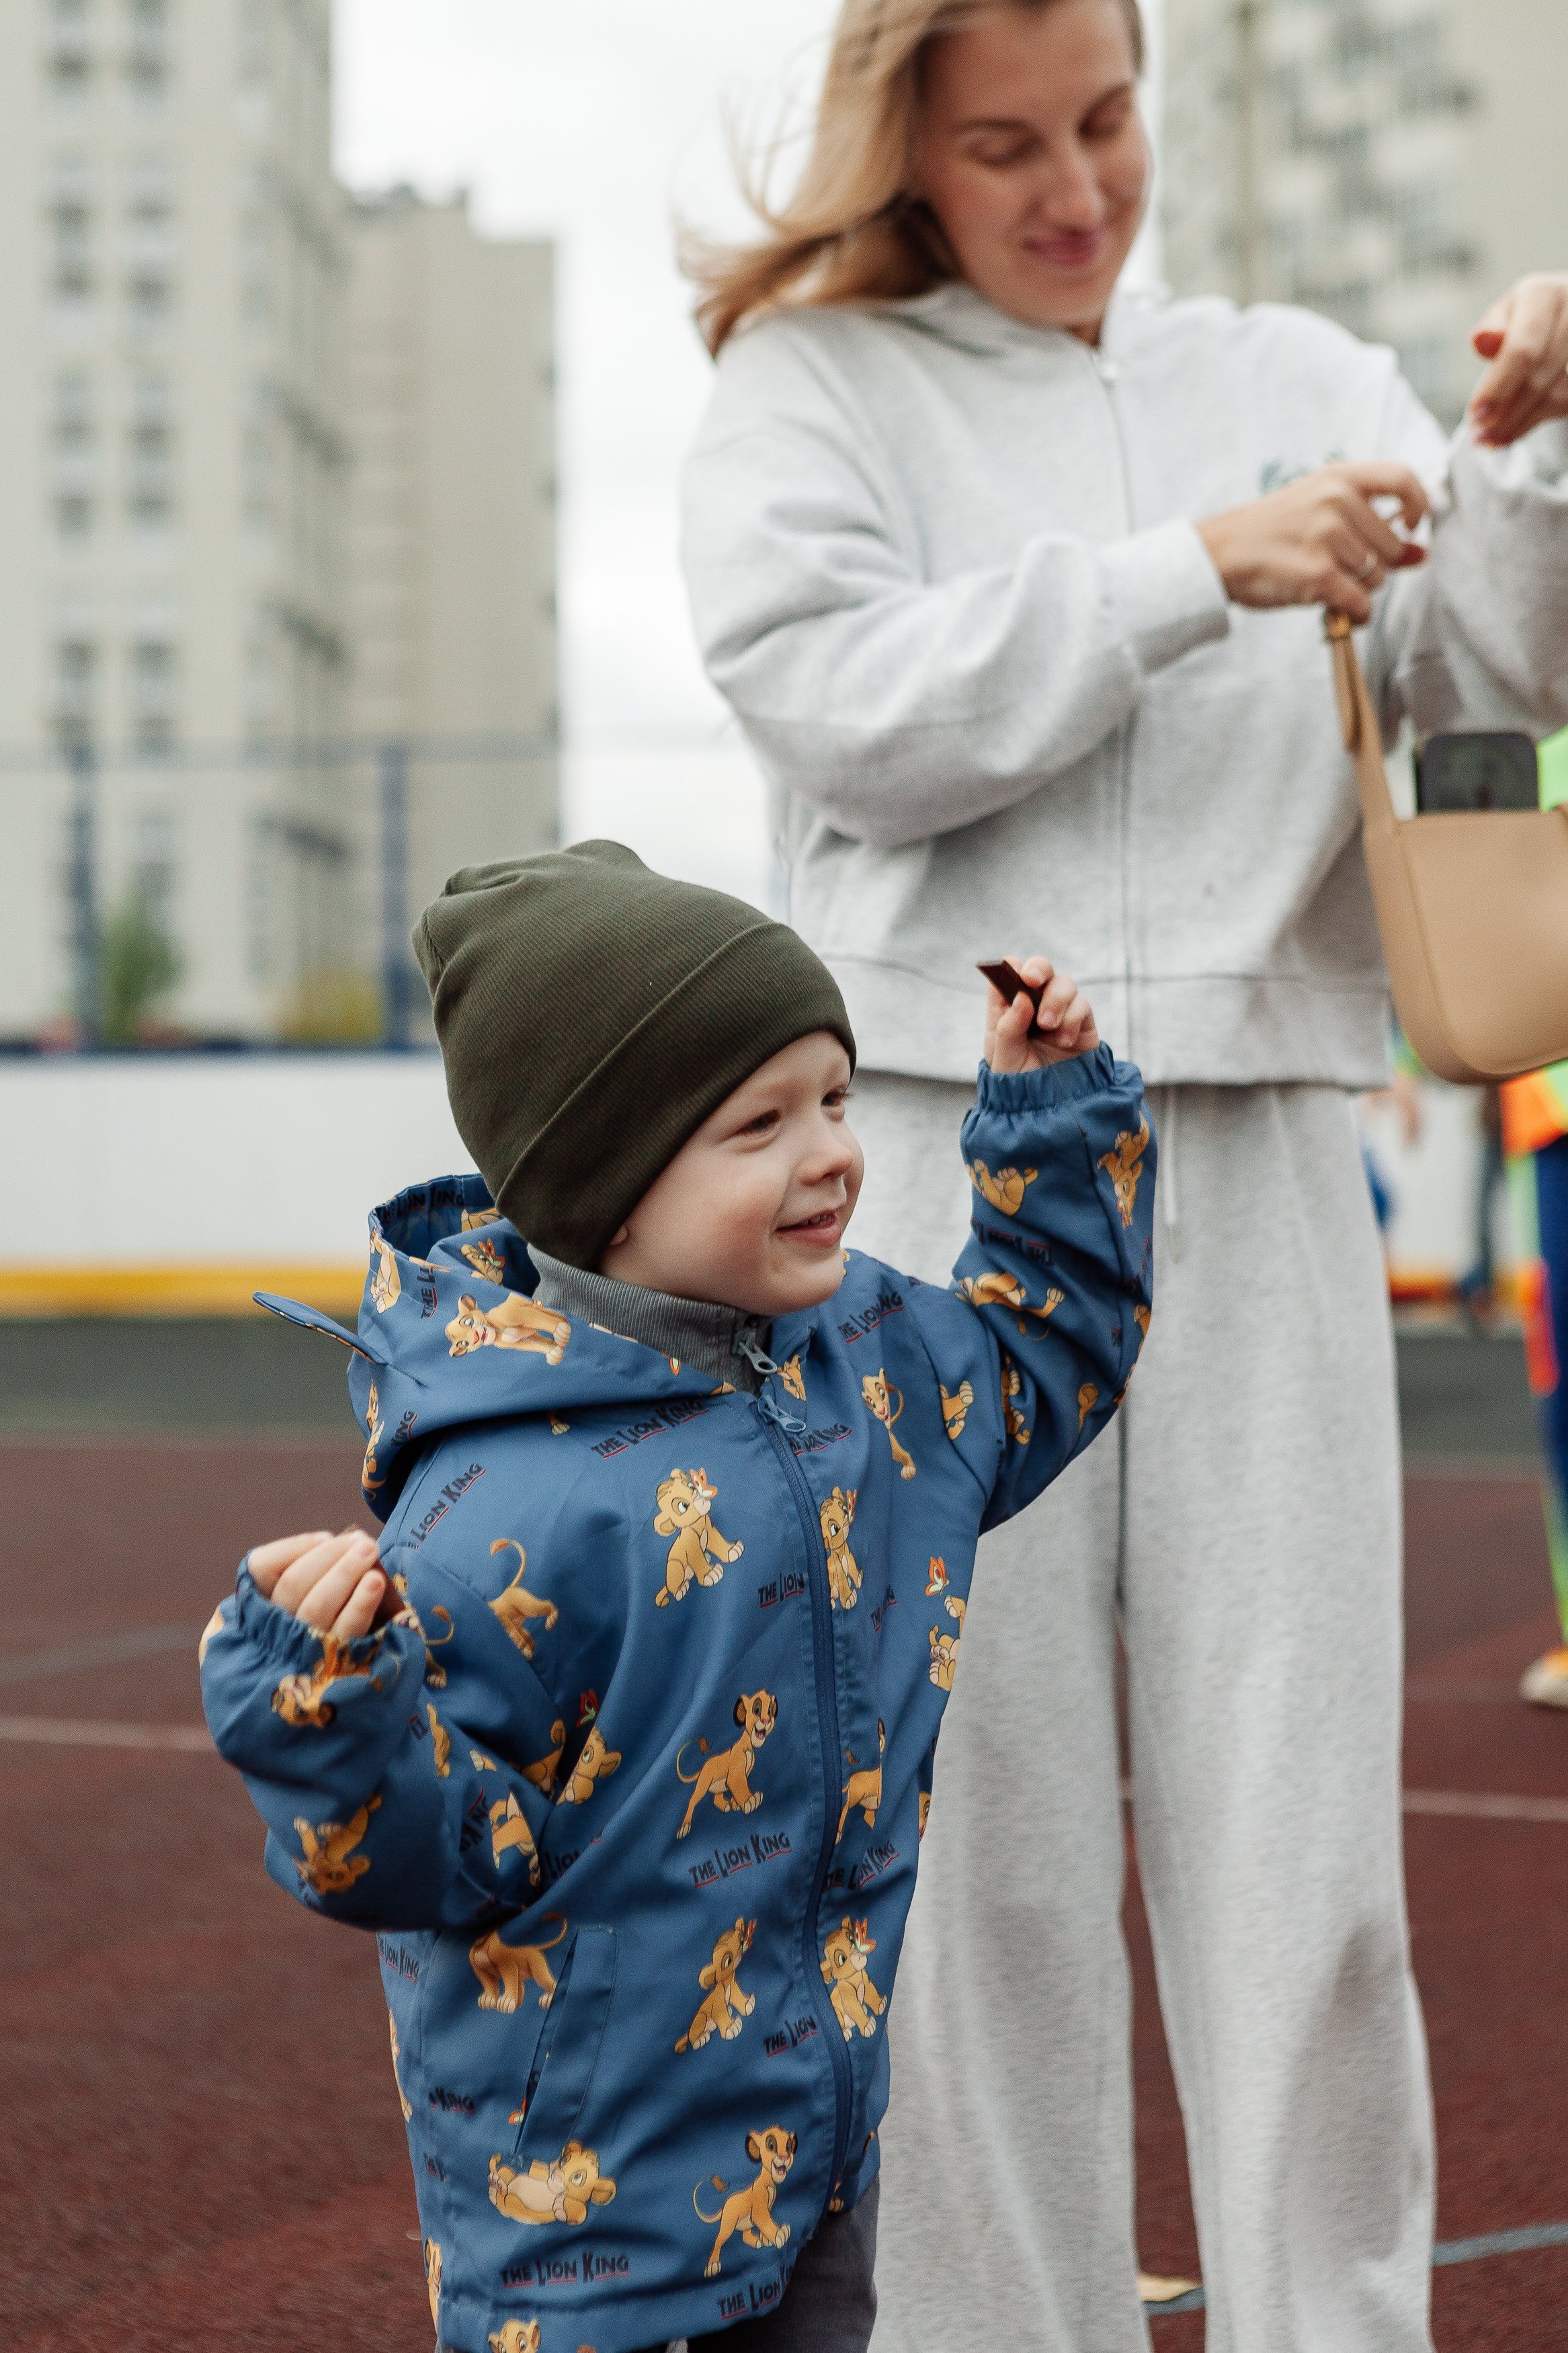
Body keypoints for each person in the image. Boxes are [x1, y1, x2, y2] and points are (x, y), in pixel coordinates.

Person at [677, 3, 1568, 2347]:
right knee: (983, 1858)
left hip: (1263, 1145)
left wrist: (1525, 449)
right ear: (906, 153)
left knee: (1304, 1850)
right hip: (938, 1166)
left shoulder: (1282, 361)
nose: (1076, 186)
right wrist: (1194, 566)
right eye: (1004, 144)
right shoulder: (811, 391)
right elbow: (842, 708)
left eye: (1104, 119)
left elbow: (1500, 662)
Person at [199, 841, 1154, 2353]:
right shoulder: (503, 1505)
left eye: (833, 1098)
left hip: (811, 2165)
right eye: (758, 1125)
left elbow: (1044, 1357)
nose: (830, 1152)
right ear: (610, 1189)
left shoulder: (874, 1367)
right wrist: (314, 1692)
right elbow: (420, 1852)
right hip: (585, 2239)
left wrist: (1048, 1117)